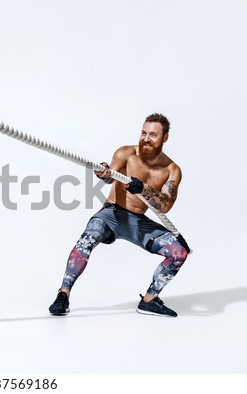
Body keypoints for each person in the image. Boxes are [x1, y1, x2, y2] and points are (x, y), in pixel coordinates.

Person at [49, 113, 189, 317]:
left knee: (179, 253)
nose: (146, 139)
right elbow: (108, 177)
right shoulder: (126, 153)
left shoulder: (171, 170)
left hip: (139, 222)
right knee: (89, 236)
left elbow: (165, 205)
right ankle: (63, 295)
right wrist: (104, 172)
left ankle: (149, 301)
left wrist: (142, 188)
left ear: (165, 138)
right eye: (143, 133)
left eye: (153, 135)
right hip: (112, 214)